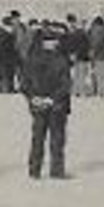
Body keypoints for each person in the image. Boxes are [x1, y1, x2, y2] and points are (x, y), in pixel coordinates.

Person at [20, 25, 72, 180]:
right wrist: (52, 99)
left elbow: (24, 84)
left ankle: (34, 170)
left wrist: (33, 98)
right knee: (57, 139)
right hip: (57, 105)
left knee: (37, 138)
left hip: (37, 105)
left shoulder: (31, 59)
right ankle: (56, 170)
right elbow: (66, 84)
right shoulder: (61, 60)